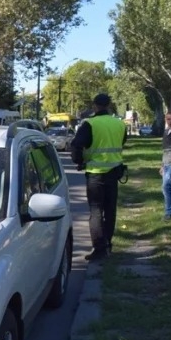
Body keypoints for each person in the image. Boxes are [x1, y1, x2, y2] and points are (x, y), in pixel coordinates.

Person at [71, 93, 128, 261]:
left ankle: (99, 248)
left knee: (96, 211)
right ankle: (108, 244)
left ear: (95, 106)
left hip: (95, 174)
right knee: (110, 211)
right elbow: (121, 142)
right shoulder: (119, 124)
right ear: (109, 105)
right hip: (114, 172)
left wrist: (80, 161)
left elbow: (76, 146)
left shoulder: (89, 124)